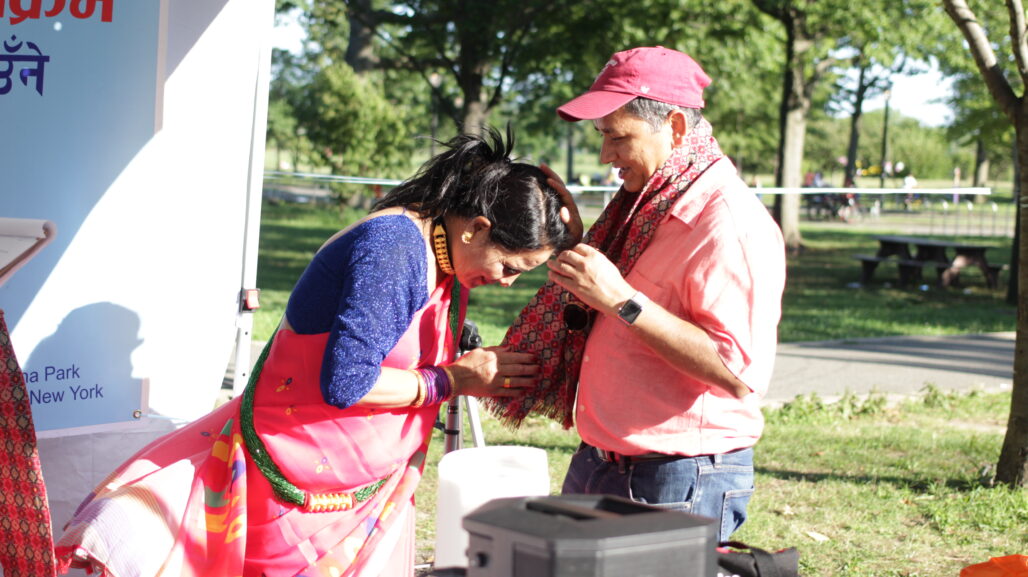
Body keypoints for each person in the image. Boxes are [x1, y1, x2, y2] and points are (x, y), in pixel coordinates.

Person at [54, 127, 576, 577]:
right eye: (510, 267)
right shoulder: (395, 250)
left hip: (353, 487)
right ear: (478, 227)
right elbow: (346, 381)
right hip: (292, 480)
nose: (507, 284)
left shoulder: (445, 251)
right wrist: (452, 380)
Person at [492, 46, 786, 542]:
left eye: (617, 136)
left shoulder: (728, 224)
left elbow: (740, 372)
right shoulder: (648, 203)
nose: (606, 156)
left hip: (677, 474)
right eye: (601, 136)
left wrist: (621, 301)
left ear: (673, 127)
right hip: (604, 459)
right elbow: (606, 293)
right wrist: (571, 245)